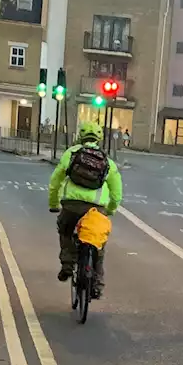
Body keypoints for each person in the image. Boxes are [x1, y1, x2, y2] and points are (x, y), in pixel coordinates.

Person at [49, 122, 122, 298]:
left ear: (80, 137)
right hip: (96, 210)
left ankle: (67, 264)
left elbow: (56, 181)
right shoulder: (107, 161)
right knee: (98, 244)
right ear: (99, 139)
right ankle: (96, 283)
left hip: (71, 205)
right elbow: (117, 191)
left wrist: (53, 203)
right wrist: (111, 209)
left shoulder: (71, 154)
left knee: (65, 229)